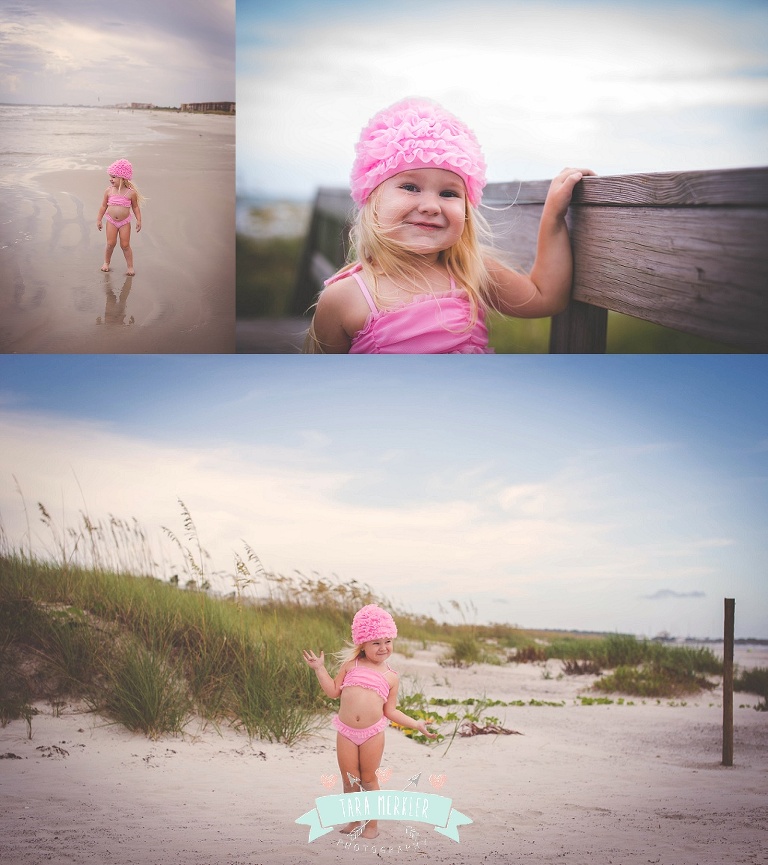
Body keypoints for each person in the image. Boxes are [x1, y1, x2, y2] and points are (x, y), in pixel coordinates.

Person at [304, 97, 594, 353]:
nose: (431, 206)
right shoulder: (343, 299)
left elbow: (545, 299)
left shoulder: (471, 273)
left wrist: (554, 216)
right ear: (373, 199)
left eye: (449, 193)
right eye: (410, 187)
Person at [303, 604, 436, 839]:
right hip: (345, 732)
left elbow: (391, 711)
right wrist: (319, 669)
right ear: (362, 643)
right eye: (376, 642)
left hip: (372, 734)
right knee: (349, 780)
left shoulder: (390, 676)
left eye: (387, 641)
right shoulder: (350, 666)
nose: (383, 647)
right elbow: (333, 691)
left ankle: (372, 825)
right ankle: (354, 821)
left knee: (368, 778)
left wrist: (416, 724)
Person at [97, 159, 143, 275]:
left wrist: (139, 220)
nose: (110, 179)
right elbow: (103, 206)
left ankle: (130, 267)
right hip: (111, 221)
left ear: (122, 178)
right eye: (110, 176)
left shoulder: (130, 193)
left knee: (125, 245)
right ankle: (106, 263)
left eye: (113, 176)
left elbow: (135, 207)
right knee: (110, 243)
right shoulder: (108, 191)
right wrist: (99, 219)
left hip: (124, 223)